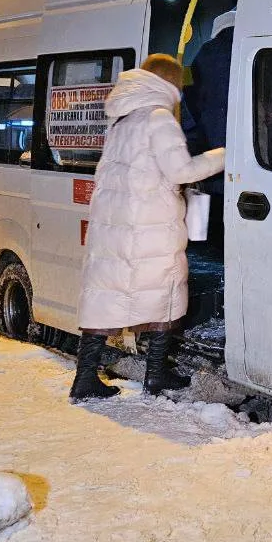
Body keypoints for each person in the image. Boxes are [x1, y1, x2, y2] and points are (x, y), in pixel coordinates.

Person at [70, 54, 225, 401]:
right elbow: (181, 171)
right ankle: (156, 374)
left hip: (117, 227)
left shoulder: (123, 120)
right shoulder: (158, 118)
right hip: (150, 227)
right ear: (169, 85)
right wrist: (223, 155)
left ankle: (85, 378)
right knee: (165, 296)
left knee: (105, 298)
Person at [181, 10, 234, 246]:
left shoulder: (204, 55)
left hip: (211, 170)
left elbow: (189, 106)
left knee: (211, 241)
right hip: (256, 170)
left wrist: (197, 145)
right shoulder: (258, 47)